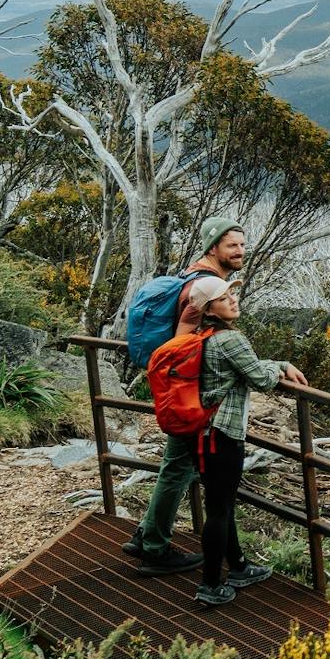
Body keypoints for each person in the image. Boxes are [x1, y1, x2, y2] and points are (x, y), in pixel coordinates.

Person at [125, 217, 251, 574]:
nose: (240, 251)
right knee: (178, 468)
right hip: (190, 395)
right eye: (232, 246)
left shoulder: (193, 274)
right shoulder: (207, 284)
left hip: (182, 390)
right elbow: (184, 337)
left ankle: (147, 535)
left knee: (176, 466)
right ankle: (155, 548)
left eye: (242, 244)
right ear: (214, 248)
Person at [177, 274, 304, 608]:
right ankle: (209, 586)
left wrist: (277, 363)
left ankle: (238, 568)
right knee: (219, 509)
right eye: (224, 298)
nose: (233, 300)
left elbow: (244, 371)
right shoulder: (230, 340)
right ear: (211, 309)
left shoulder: (200, 336)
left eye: (231, 294)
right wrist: (280, 367)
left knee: (221, 503)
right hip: (221, 435)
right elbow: (260, 380)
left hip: (200, 434)